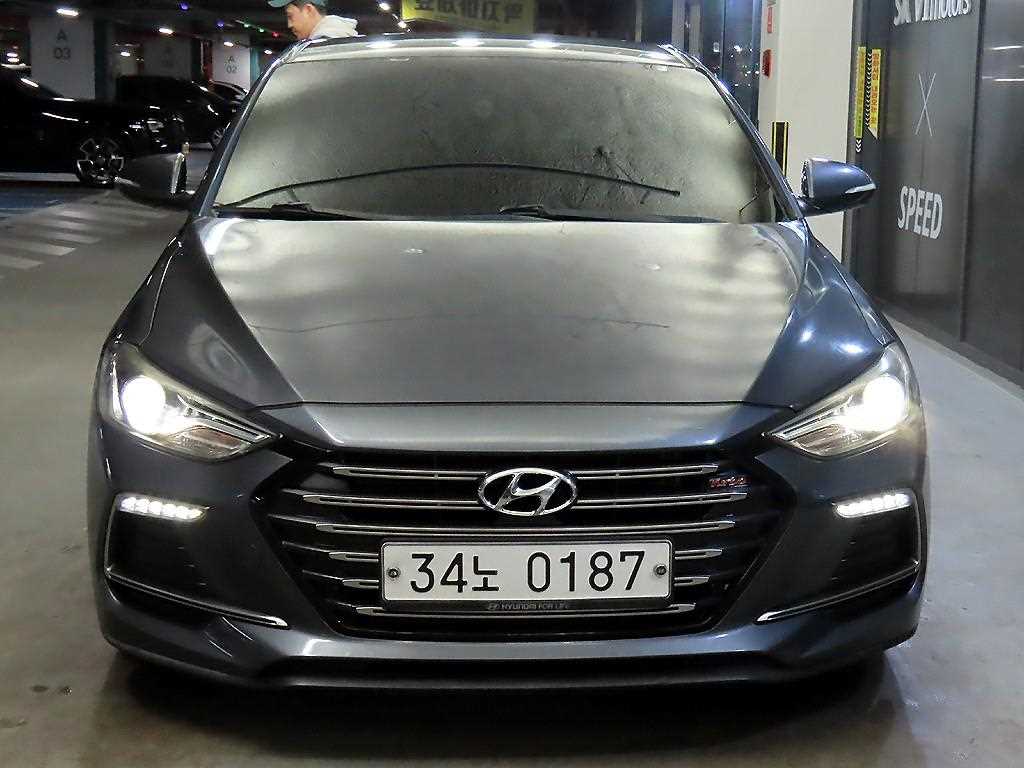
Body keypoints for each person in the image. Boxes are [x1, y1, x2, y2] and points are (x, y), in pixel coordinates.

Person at [267, 0, 358, 41]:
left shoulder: (323, 46)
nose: (289, 25)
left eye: (290, 16)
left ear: (308, 10)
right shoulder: (341, 38)